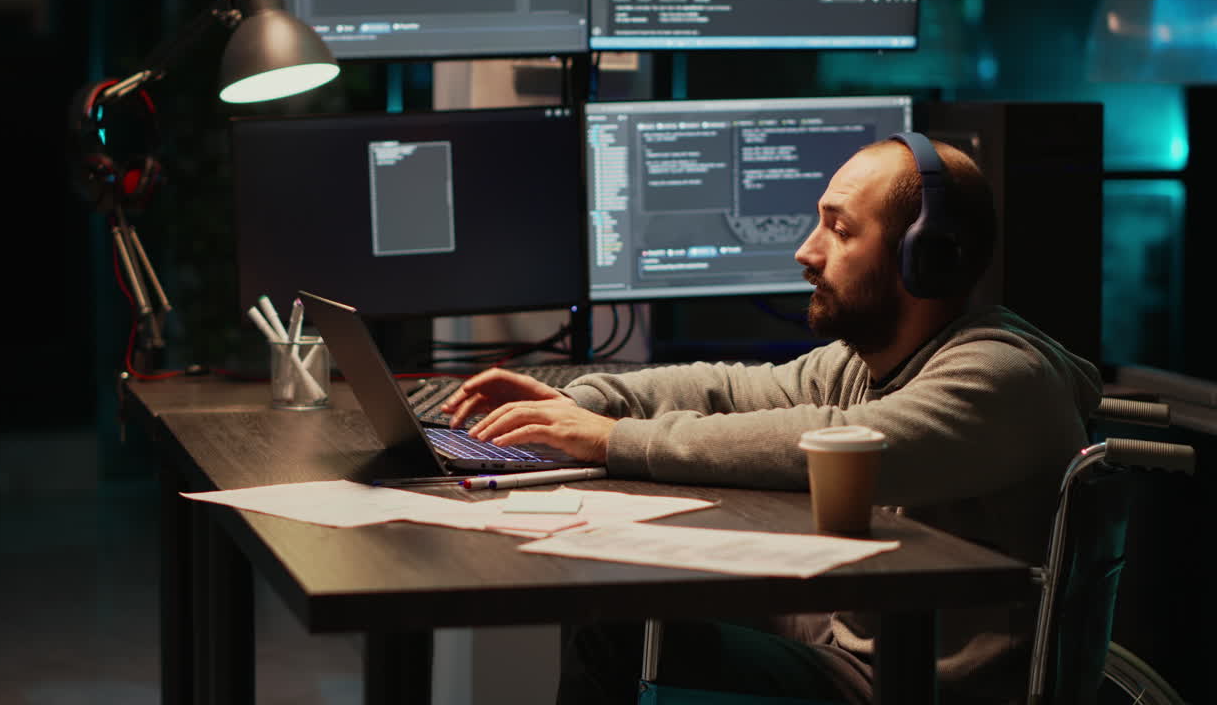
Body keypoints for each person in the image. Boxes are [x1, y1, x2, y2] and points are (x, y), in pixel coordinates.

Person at [440, 135, 1103, 704]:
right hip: (859, 640)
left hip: (919, 684)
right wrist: (586, 402)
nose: (806, 252)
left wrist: (616, 442)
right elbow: (725, 390)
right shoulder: (865, 360)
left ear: (922, 258)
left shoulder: (1001, 375)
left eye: (840, 231)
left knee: (613, 634)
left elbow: (833, 445)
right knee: (613, 597)